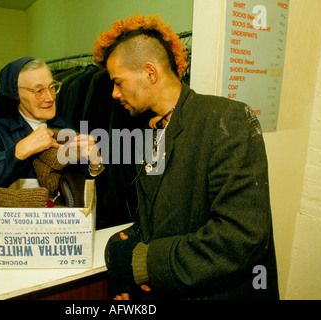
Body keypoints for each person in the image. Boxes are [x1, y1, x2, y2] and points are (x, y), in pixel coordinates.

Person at [93, 14, 279, 300]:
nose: (114, 93)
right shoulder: (149, 131)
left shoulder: (227, 119)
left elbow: (242, 237)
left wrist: (144, 263)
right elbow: (156, 218)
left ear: (150, 73)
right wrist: (124, 245)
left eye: (118, 82)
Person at [0, 57, 103, 206]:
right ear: (16, 94)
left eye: (52, 87)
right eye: (39, 91)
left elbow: (85, 186)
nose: (50, 97)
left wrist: (95, 164)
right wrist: (20, 150)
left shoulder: (65, 127)